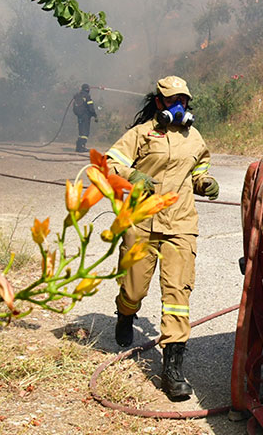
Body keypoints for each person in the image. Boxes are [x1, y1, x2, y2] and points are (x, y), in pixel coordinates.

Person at [104, 76, 220, 400]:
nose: (178, 106)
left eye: (182, 100)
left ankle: (172, 371)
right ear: (159, 103)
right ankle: (125, 313)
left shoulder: (194, 137)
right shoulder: (140, 134)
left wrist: (205, 182)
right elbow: (110, 164)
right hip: (142, 222)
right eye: (171, 101)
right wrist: (132, 175)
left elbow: (199, 168)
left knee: (177, 295)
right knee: (134, 288)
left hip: (180, 224)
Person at [72, 83, 97, 153]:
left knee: (81, 131)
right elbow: (91, 108)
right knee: (85, 132)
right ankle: (82, 147)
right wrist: (95, 115)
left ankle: (79, 146)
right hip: (85, 116)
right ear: (88, 89)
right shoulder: (87, 96)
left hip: (79, 116)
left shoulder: (78, 95)